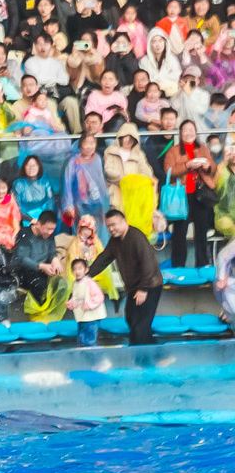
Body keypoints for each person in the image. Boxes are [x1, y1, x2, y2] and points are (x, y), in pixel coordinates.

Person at [88, 208, 164, 345]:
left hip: (149, 286)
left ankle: (145, 353)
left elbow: (148, 264)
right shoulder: (115, 241)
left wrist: (143, 289)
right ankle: (150, 349)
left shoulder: (136, 238)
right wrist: (87, 275)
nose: (111, 229)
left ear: (124, 222)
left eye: (114, 225)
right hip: (134, 287)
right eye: (108, 226)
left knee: (141, 325)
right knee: (131, 318)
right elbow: (104, 258)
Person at [162, 119, 216, 268]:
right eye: (185, 130)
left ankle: (202, 265)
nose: (188, 132)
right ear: (180, 133)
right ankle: (178, 266)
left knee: (201, 231)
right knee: (180, 233)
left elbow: (213, 168)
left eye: (191, 129)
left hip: (200, 194)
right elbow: (169, 170)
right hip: (182, 196)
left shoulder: (203, 148)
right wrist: (187, 165)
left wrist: (206, 166)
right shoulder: (173, 151)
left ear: (196, 132)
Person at [67, 257, 107, 347]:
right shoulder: (75, 283)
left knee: (89, 338)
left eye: (80, 268)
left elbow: (99, 296)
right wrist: (71, 303)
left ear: (86, 270)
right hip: (82, 316)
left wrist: (89, 305)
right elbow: (76, 297)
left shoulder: (89, 283)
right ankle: (83, 353)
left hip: (92, 317)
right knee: (82, 337)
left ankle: (91, 354)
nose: (77, 271)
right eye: (74, 269)